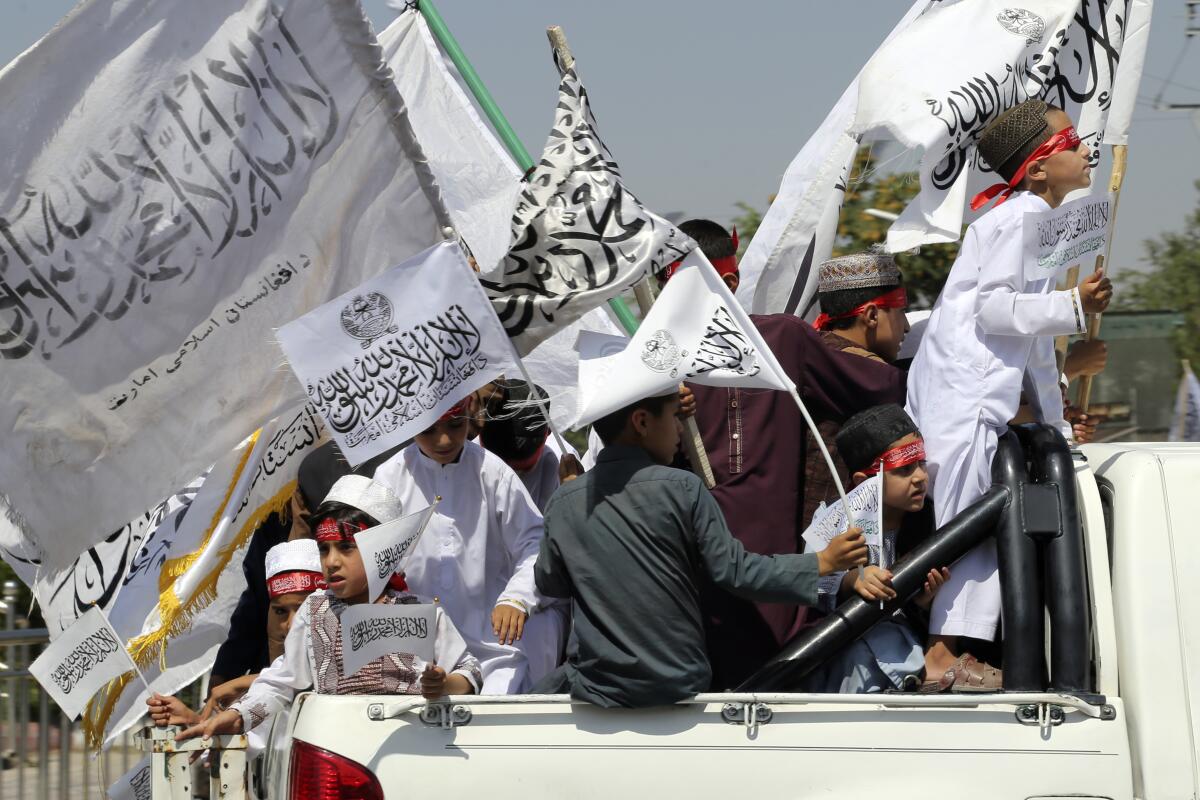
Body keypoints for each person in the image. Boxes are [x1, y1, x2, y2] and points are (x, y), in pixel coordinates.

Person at [906, 99, 1113, 689]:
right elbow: (997, 309)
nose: (1085, 151)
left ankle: (953, 651)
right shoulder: (1019, 217)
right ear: (1039, 168)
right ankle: (941, 657)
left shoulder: (1033, 221)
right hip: (962, 397)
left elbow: (1034, 351)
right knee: (967, 525)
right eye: (1072, 143)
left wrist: (1060, 428)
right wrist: (1074, 306)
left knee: (982, 524)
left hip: (974, 399)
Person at [666, 220, 908, 690]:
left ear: (729, 284)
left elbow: (874, 386)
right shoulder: (659, 360)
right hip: (696, 558)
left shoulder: (780, 340)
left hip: (778, 567)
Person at [532, 389, 870, 707]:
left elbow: (550, 583)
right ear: (642, 422)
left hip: (600, 686)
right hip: (676, 680)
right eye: (674, 416)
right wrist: (822, 562)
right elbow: (736, 572)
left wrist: (570, 499)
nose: (681, 428)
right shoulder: (683, 488)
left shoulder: (565, 501)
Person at [176, 475, 481, 741]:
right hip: (338, 758)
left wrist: (443, 684)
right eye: (324, 549)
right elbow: (282, 681)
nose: (332, 561)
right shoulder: (316, 612)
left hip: (414, 753)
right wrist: (240, 715)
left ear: (384, 550)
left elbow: (470, 671)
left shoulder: (420, 611)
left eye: (346, 548)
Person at [373, 396, 552, 693]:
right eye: (429, 429)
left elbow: (534, 542)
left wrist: (516, 598)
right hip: (420, 652)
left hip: (492, 649)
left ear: (471, 416)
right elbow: (374, 560)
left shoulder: (491, 472)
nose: (443, 440)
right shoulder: (390, 476)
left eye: (455, 425)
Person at [800, 405, 950, 693]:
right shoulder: (836, 522)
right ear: (864, 481)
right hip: (849, 660)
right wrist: (850, 580)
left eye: (921, 463)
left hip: (910, 654)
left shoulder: (933, 520)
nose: (920, 477)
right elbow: (809, 580)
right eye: (904, 470)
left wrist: (924, 601)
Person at [146, 539, 324, 738]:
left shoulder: (350, 653)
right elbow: (254, 739)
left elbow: (303, 679)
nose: (291, 624)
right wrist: (196, 722)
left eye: (303, 609)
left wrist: (241, 683)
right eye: (280, 611)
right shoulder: (269, 686)